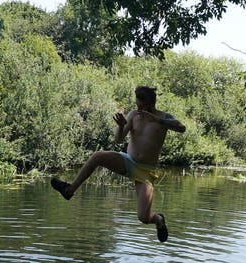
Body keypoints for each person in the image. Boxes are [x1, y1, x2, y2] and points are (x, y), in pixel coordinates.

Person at [51, 85, 186, 241]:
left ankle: (158, 220)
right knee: (98, 156)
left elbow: (181, 128)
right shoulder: (134, 115)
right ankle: (69, 190)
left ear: (151, 103)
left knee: (143, 217)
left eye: (142, 106)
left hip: (146, 171)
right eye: (137, 104)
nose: (138, 108)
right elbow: (118, 140)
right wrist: (121, 126)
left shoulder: (164, 118)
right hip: (128, 161)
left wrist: (157, 120)